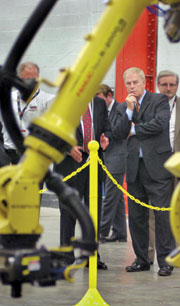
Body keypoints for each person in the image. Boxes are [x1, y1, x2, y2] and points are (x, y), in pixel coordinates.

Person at [113, 67, 175, 276]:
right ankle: (142, 259)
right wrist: (129, 112)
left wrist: (135, 129)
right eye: (128, 84)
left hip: (157, 167)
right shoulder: (123, 107)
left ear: (143, 83)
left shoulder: (158, 100)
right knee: (137, 217)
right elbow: (118, 133)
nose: (132, 87)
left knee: (162, 216)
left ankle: (166, 262)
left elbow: (160, 123)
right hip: (134, 169)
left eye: (135, 83)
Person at [54, 95, 112, 269]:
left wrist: (106, 137)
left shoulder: (100, 103)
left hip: (94, 163)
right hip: (69, 164)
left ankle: (91, 255)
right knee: (69, 211)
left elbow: (107, 128)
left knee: (94, 211)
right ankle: (66, 255)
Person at [148, 70, 180, 264]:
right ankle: (151, 254)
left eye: (172, 85)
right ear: (157, 85)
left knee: (177, 211)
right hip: (155, 166)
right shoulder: (148, 105)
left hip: (177, 165)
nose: (168, 89)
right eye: (164, 84)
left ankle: (176, 254)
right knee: (153, 211)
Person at [2, 61, 55, 164]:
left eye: (34, 79)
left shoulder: (47, 99)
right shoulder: (7, 98)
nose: (31, 83)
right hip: (10, 151)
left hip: (35, 153)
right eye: (27, 79)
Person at [96, 84, 127, 243]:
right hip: (106, 157)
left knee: (109, 196)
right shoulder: (101, 111)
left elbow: (120, 131)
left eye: (100, 99)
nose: (98, 102)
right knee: (117, 197)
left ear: (109, 96)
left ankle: (101, 232)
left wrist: (105, 134)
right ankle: (120, 232)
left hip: (118, 157)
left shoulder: (121, 108)